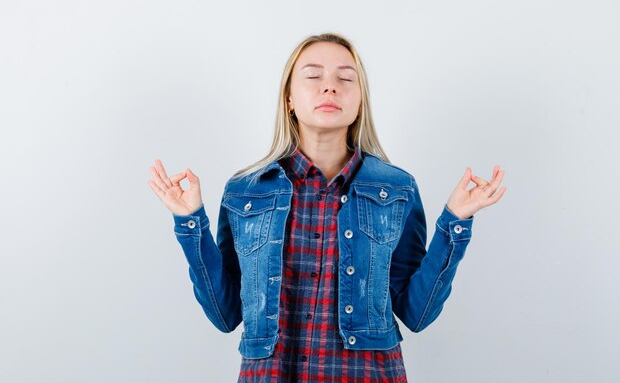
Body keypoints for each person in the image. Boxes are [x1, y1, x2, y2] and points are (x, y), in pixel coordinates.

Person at [148, 32, 506, 382]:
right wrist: (189, 221)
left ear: (360, 101)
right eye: (313, 76)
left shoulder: (396, 188)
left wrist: (455, 221)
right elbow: (225, 314)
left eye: (345, 78)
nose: (330, 86)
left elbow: (417, 312)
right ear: (289, 99)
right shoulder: (245, 192)